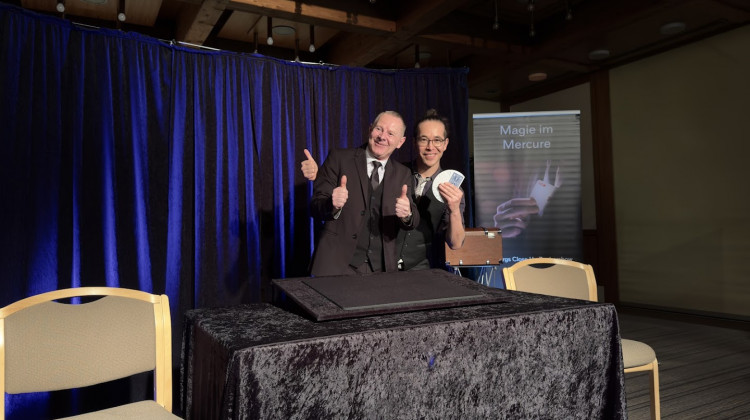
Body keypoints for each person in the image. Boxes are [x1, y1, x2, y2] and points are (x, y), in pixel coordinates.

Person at [305, 110, 419, 276]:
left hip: (381, 270)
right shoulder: (339, 158)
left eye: (390, 133)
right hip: (337, 265)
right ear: (370, 129)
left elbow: (413, 219)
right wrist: (332, 204)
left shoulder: (403, 173)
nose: (382, 136)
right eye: (379, 129)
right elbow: (315, 207)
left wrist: (407, 214)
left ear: (400, 142)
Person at [396, 109, 465, 271]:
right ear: (414, 142)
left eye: (437, 140)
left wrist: (454, 209)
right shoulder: (395, 173)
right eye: (424, 139)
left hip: (427, 272)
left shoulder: (452, 188)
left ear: (445, 144)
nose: (430, 147)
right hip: (386, 270)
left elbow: (456, 243)